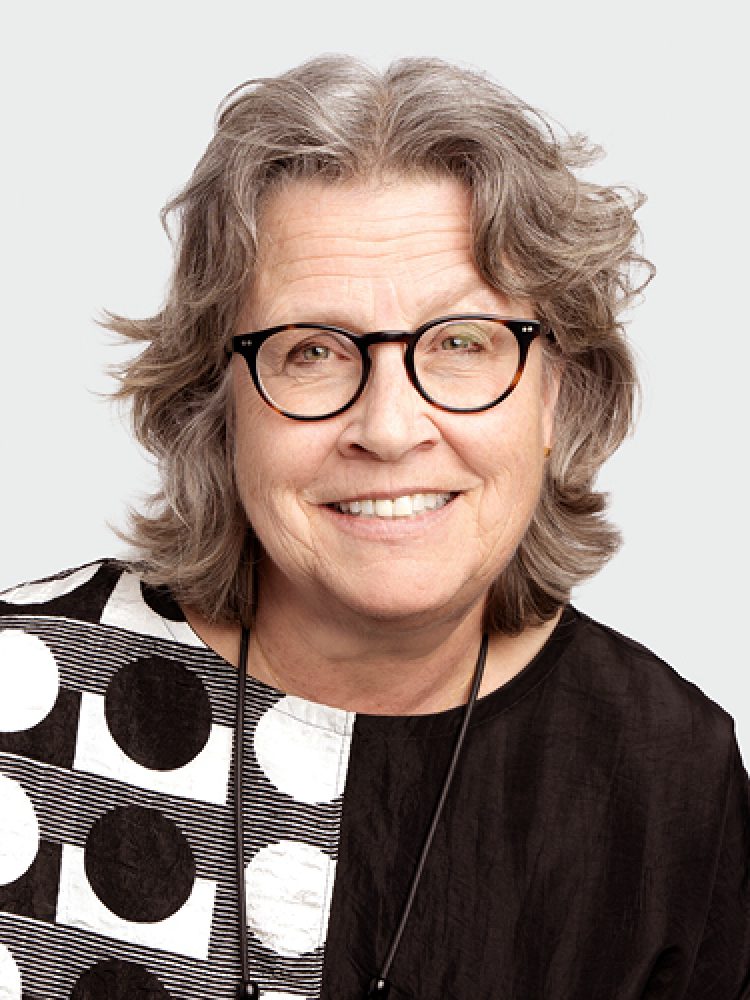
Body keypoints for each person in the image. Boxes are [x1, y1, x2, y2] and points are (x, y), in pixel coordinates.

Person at [0, 55, 747, 1000]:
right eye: (310, 350)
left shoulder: (665, 770)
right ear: (215, 401)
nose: (390, 429)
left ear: (562, 393)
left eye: (463, 343)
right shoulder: (14, 699)